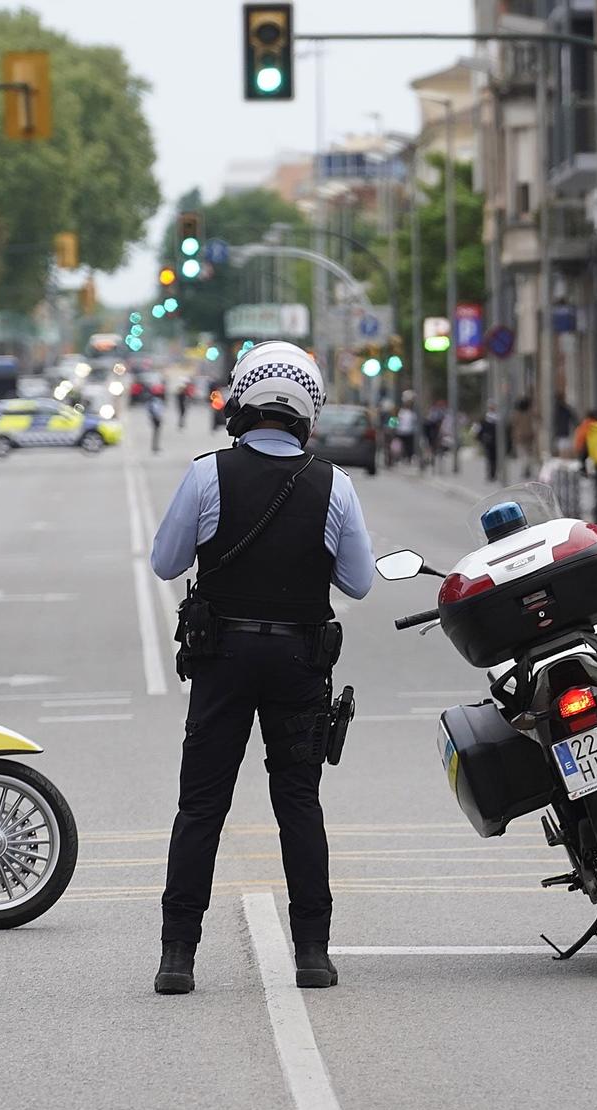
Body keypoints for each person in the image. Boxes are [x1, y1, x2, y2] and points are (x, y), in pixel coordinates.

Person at [149, 341, 374, 995]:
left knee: (201, 807)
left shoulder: (205, 475)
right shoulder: (335, 485)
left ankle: (177, 958)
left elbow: (166, 564)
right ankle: (312, 954)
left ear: (242, 404)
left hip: (222, 658)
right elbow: (358, 582)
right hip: (299, 660)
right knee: (298, 804)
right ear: (310, 414)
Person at [393, 394, 419, 469]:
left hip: (410, 432)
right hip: (400, 431)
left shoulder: (413, 413)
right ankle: (399, 458)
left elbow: (416, 422)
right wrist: (392, 427)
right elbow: (394, 420)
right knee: (399, 446)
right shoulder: (400, 411)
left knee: (409, 446)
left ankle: (409, 458)